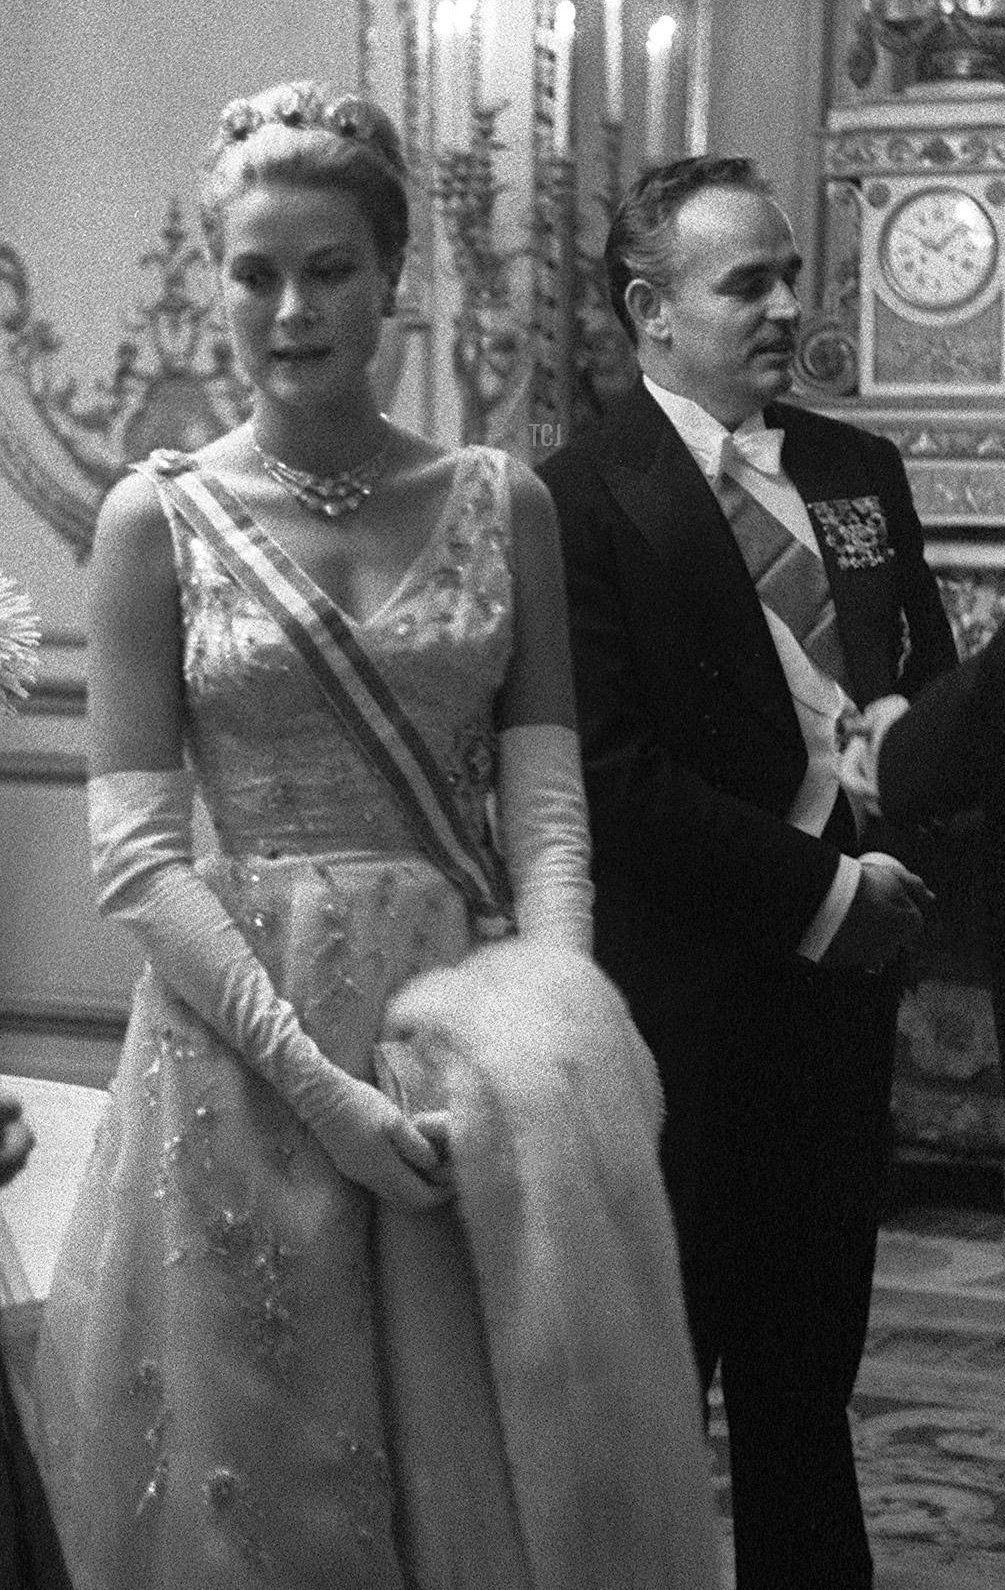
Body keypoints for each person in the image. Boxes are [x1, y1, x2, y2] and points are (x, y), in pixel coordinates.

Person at [32, 83, 720, 1589]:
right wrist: (319, 1089)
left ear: (393, 276)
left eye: (328, 267)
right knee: (264, 1475)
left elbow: (543, 805)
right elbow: (139, 854)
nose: (290, 307)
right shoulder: (157, 520)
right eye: (253, 270)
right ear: (212, 279)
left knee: (473, 1475)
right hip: (242, 1056)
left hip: (453, 1045)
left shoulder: (501, 501)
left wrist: (555, 1033)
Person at [538, 155, 959, 1590]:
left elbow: (924, 691)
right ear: (650, 310)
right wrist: (818, 895)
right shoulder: (571, 498)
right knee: (657, 1385)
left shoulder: (856, 472)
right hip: (680, 1006)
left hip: (840, 1011)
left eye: (790, 272)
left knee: (806, 1381)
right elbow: (609, 770)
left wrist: (899, 849)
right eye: (748, 282)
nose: (788, 303)